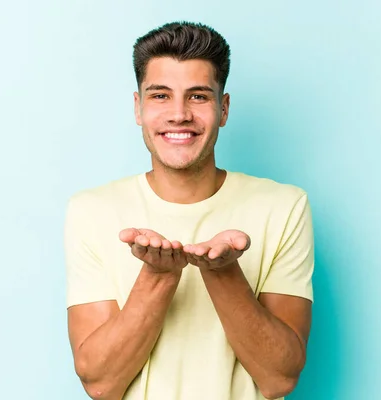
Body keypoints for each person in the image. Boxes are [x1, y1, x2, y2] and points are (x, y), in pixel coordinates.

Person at [64, 21, 314, 400]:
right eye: (160, 96)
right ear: (138, 107)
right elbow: (100, 383)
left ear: (223, 108)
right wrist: (158, 276)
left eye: (198, 96)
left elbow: (280, 378)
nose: (179, 114)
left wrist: (224, 273)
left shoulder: (284, 207)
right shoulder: (92, 211)